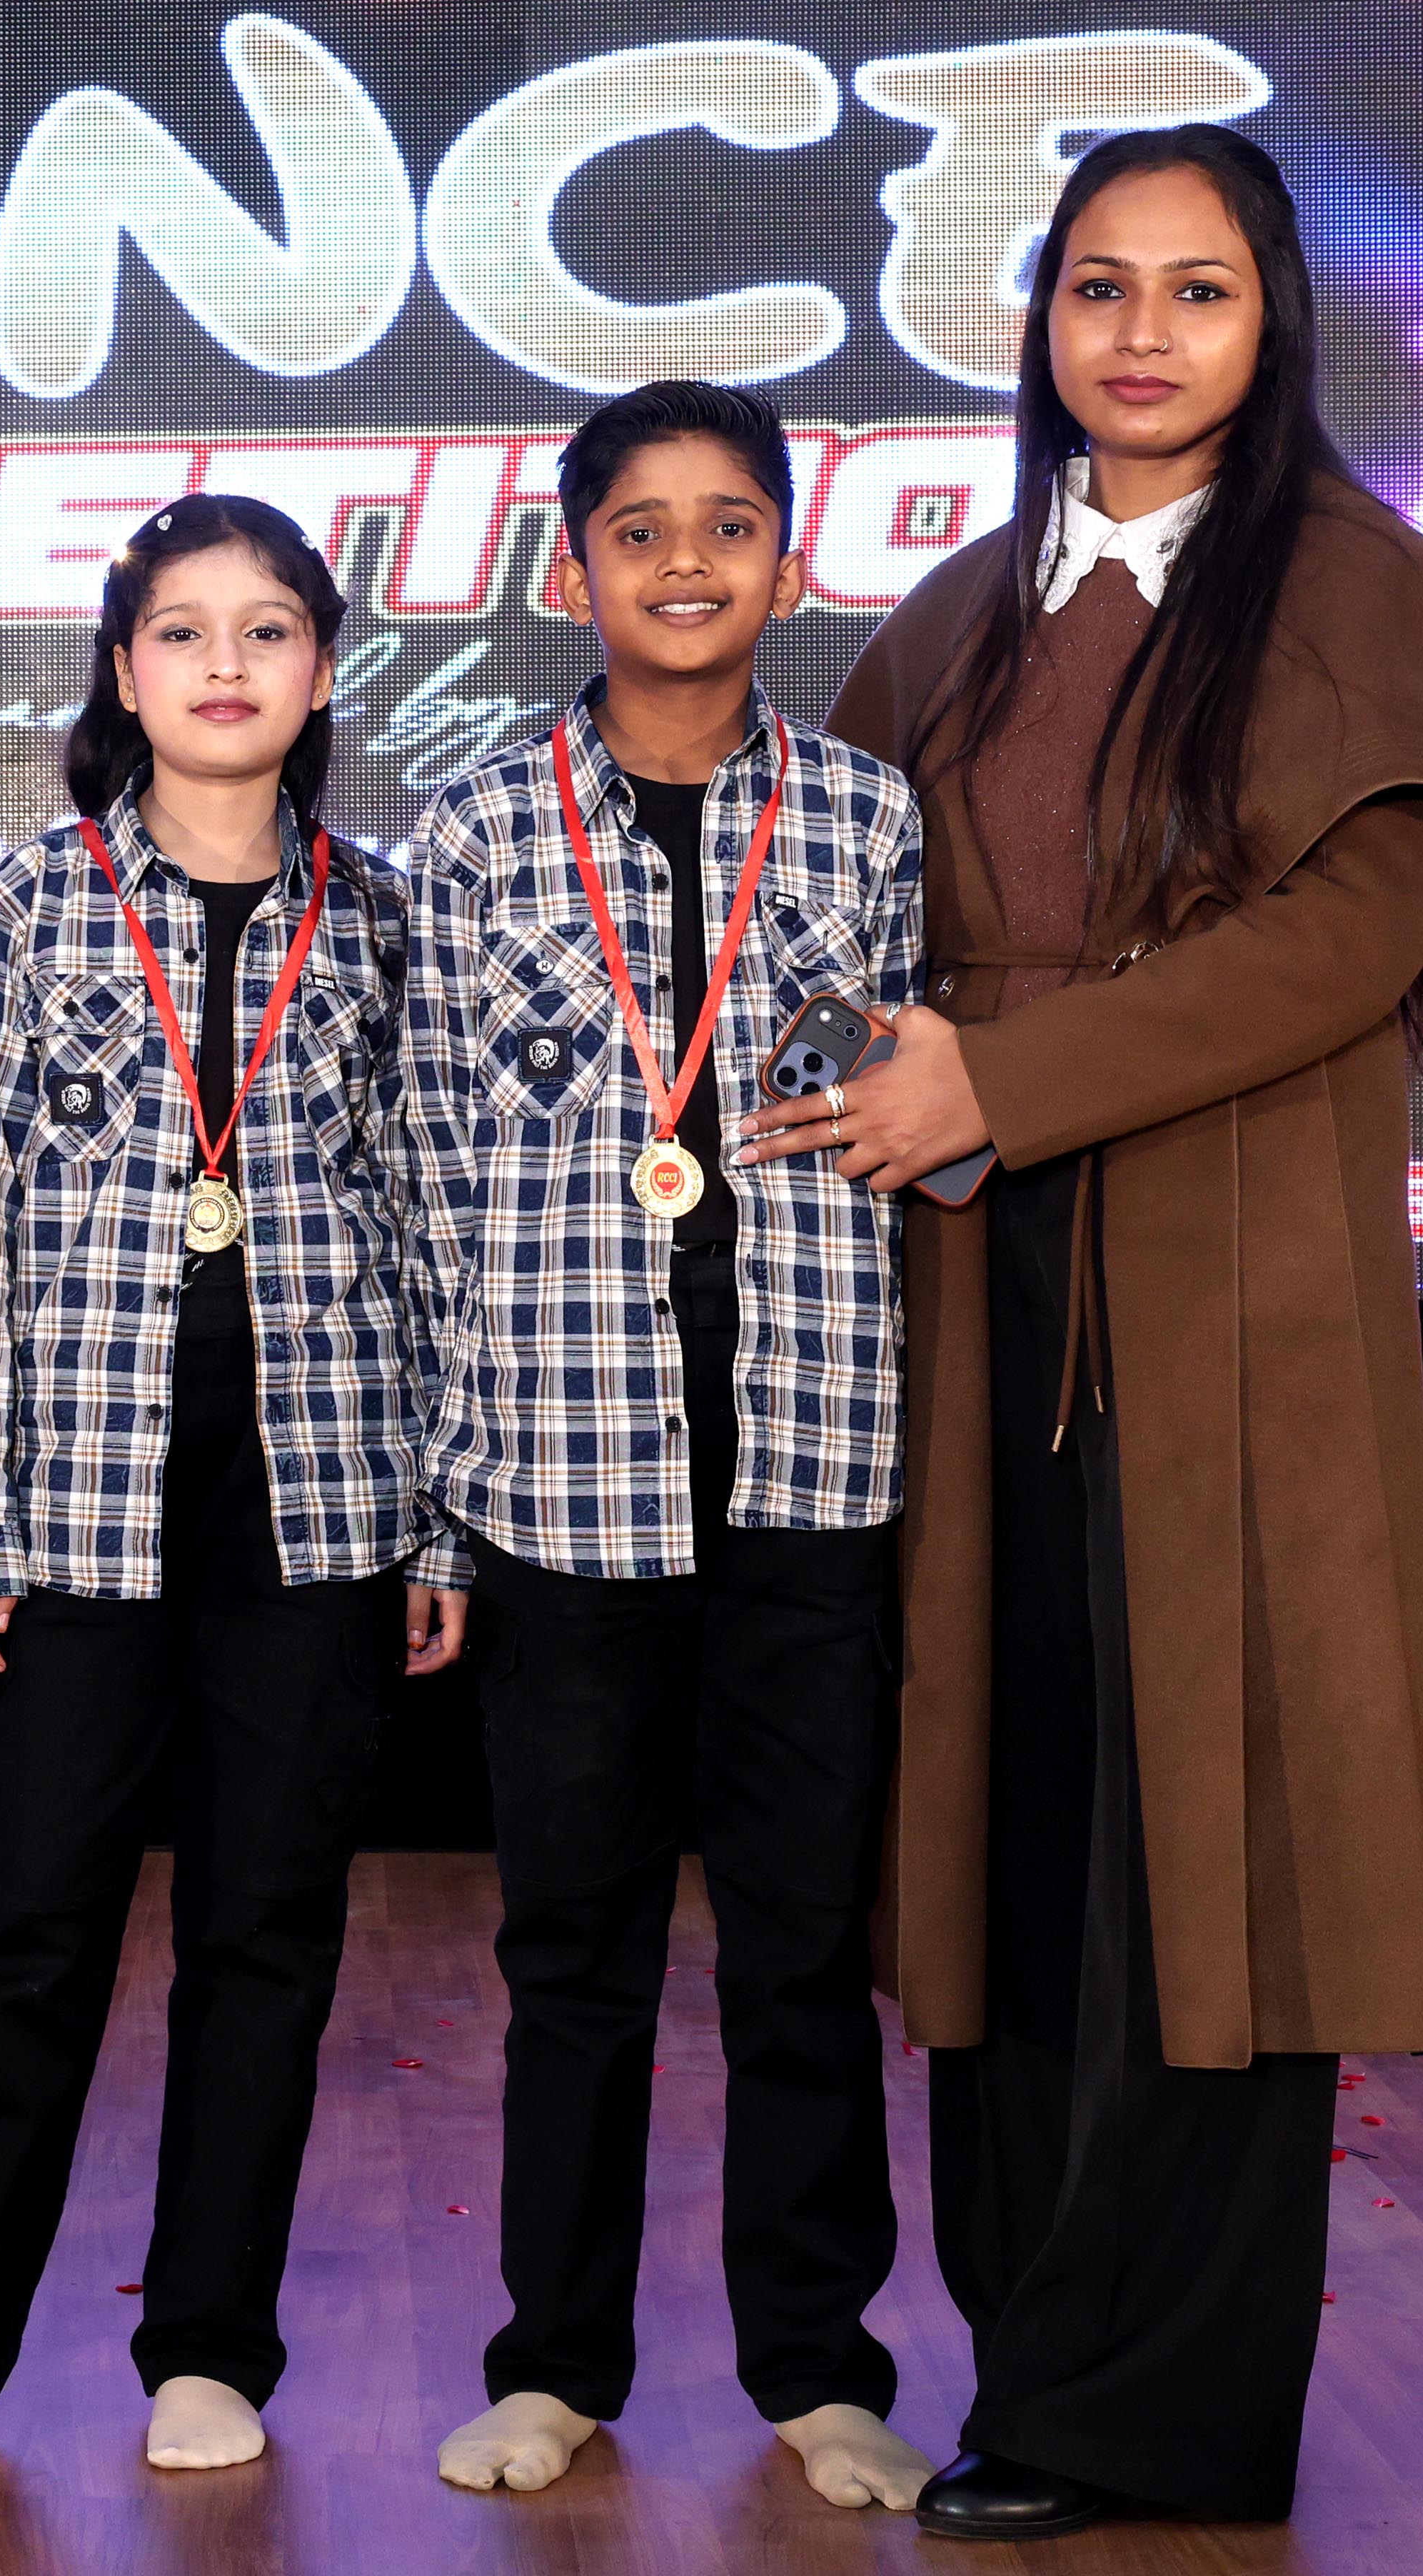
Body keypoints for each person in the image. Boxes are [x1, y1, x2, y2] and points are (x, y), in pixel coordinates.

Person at [763, 125, 1423, 2540]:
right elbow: (834, 922)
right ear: (1042, 318)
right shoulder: (958, 614)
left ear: (1274, 319)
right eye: (1099, 285)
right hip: (976, 1291)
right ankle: (1033, 2369)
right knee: (1011, 1830)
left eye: (1196, 287)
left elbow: (1342, 939)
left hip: (1232, 1290)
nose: (1142, 333)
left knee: (1208, 1844)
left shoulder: (1369, 588)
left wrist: (1008, 1075)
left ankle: (1158, 2412)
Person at [0, 496, 436, 2487]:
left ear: (322, 670)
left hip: (317, 1499)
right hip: (79, 1499)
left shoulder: (384, 919)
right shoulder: (33, 901)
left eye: (268, 630)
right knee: (24, 1929)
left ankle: (209, 2348)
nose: (226, 664)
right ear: (123, 671)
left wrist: (438, 1519)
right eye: (184, 631)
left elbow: (423, 1228)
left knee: (267, 1931)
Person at [396, 381, 934, 2514]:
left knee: (799, 1942)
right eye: (639, 528)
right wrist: (439, 1505)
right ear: (571, 570)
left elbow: (921, 1120)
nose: (684, 560)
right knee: (573, 1952)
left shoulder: (872, 819)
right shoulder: (472, 828)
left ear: (788, 567)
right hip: (562, 1476)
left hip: (809, 1457)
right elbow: (429, 1176)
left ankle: (817, 2363)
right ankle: (555, 2363)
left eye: (727, 525)